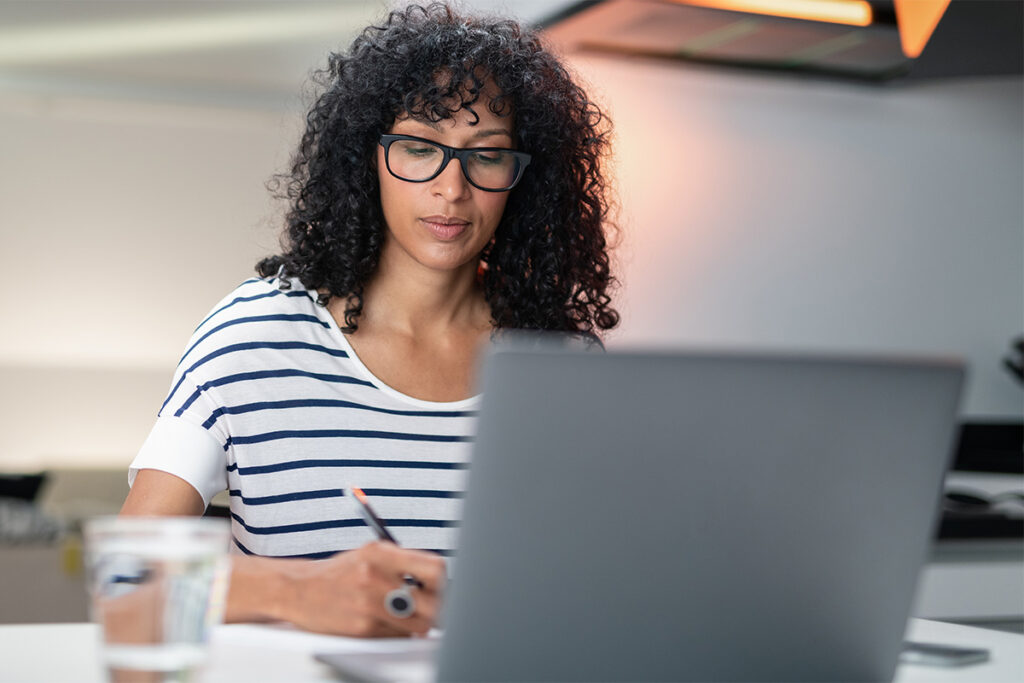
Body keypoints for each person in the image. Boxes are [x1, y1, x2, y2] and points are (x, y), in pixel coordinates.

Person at [120, 1, 618, 637]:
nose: (452, 189)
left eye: (486, 156)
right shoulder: (253, 337)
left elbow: (598, 584)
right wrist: (298, 590)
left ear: (524, 177)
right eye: (418, 148)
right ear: (367, 157)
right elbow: (127, 578)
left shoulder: (563, 363)